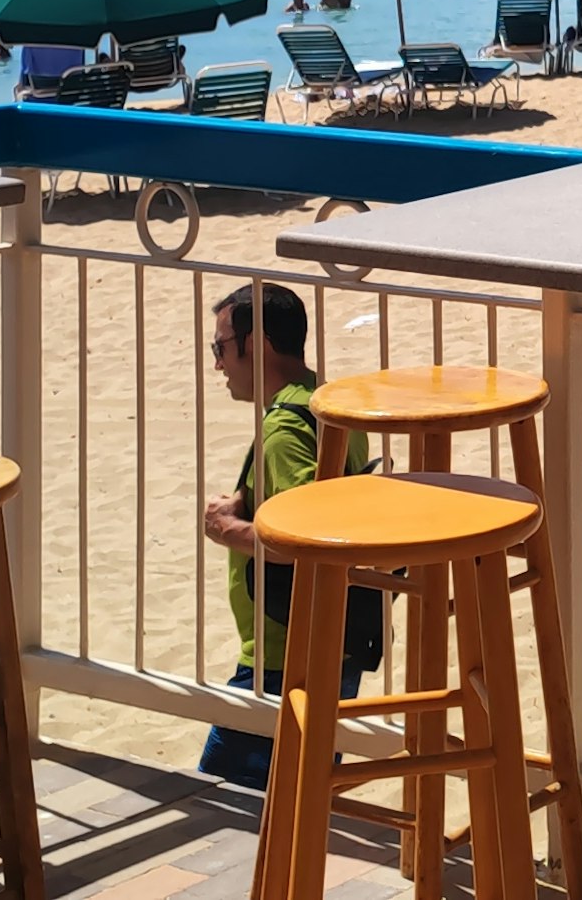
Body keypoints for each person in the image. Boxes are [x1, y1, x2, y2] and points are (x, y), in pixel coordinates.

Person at [195, 283, 367, 789]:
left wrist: (231, 529)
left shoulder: (283, 430)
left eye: (221, 348)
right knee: (305, 797)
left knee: (225, 803)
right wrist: (250, 501)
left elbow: (308, 539)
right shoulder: (327, 404)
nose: (219, 364)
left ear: (260, 344)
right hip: (333, 638)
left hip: (282, 651)